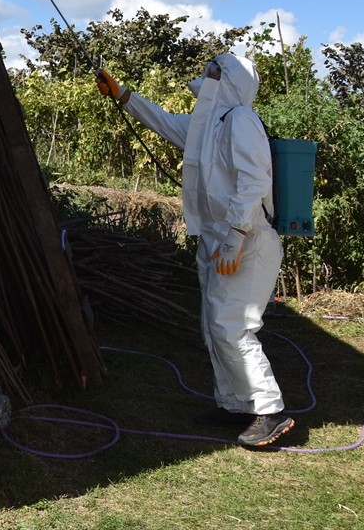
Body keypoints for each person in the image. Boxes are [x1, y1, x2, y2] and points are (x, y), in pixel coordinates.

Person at [96, 53, 294, 448]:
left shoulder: (240, 120)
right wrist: (124, 96)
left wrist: (236, 237)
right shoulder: (208, 126)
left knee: (233, 326)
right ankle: (235, 403)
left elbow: (254, 182)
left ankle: (270, 409)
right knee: (213, 326)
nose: (209, 75)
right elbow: (165, 121)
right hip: (217, 239)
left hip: (248, 242)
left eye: (217, 71)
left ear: (235, 82)